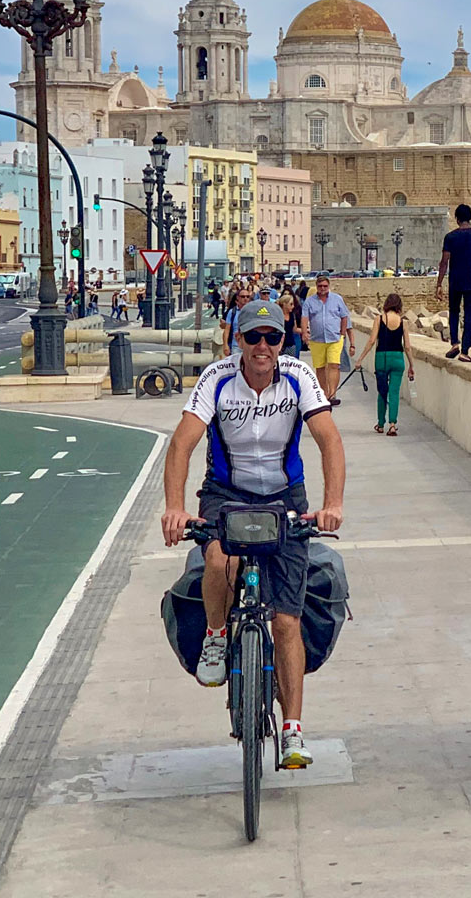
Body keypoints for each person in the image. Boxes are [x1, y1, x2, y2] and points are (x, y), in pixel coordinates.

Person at [161, 299, 344, 769]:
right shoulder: (217, 378)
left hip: (285, 498)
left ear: (285, 341)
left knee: (286, 621)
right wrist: (176, 508)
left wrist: (333, 504)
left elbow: (329, 439)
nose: (263, 347)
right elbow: (182, 443)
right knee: (218, 559)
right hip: (227, 492)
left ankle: (293, 730)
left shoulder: (298, 377)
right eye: (253, 337)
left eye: (273, 337)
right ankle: (218, 635)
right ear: (237, 340)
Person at [353, 293, 415, 436]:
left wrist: (360, 359)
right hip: (398, 358)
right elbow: (407, 347)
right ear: (399, 306)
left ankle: (380, 424)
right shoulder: (403, 322)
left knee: (382, 391)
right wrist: (411, 365)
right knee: (394, 393)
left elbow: (372, 340)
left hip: (382, 358)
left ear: (386, 304)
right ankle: (392, 424)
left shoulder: (379, 319)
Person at [435, 203, 471, 363]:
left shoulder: (450, 237)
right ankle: (465, 351)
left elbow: (444, 262)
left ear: (457, 219)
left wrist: (439, 284)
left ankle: (454, 343)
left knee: (454, 312)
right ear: (470, 218)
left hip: (455, 281)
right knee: (469, 314)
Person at [300, 276, 351, 406]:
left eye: (325, 286)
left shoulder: (337, 299)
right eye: (320, 286)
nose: (322, 288)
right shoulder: (309, 302)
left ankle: (332, 394)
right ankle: (324, 393)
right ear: (316, 287)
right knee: (320, 367)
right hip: (317, 339)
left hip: (334, 338)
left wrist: (343, 333)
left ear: (329, 286)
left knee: (334, 364)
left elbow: (344, 316)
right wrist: (305, 332)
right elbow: (305, 317)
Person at [221, 285, 252, 356]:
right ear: (238, 298)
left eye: (247, 296)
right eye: (243, 296)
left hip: (250, 345)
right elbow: (227, 330)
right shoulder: (232, 312)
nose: (245, 298)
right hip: (236, 346)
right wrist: (225, 345)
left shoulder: (252, 311)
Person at [278, 292, 300, 357]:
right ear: (284, 304)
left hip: (291, 344)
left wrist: (305, 331)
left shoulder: (292, 315)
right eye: (291, 304)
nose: (293, 306)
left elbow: (294, 329)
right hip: (280, 345)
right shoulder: (278, 315)